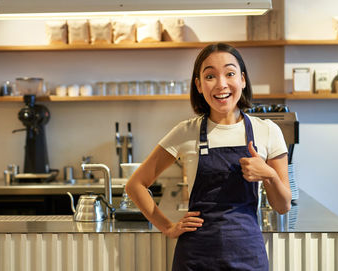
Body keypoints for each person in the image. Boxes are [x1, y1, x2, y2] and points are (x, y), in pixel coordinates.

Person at [124, 43, 292, 270]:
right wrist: (167, 227)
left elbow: (283, 206)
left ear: (242, 80)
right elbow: (135, 185)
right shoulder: (186, 131)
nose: (221, 84)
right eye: (210, 76)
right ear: (199, 85)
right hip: (195, 257)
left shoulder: (268, 131)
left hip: (248, 255)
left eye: (230, 73)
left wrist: (269, 175)